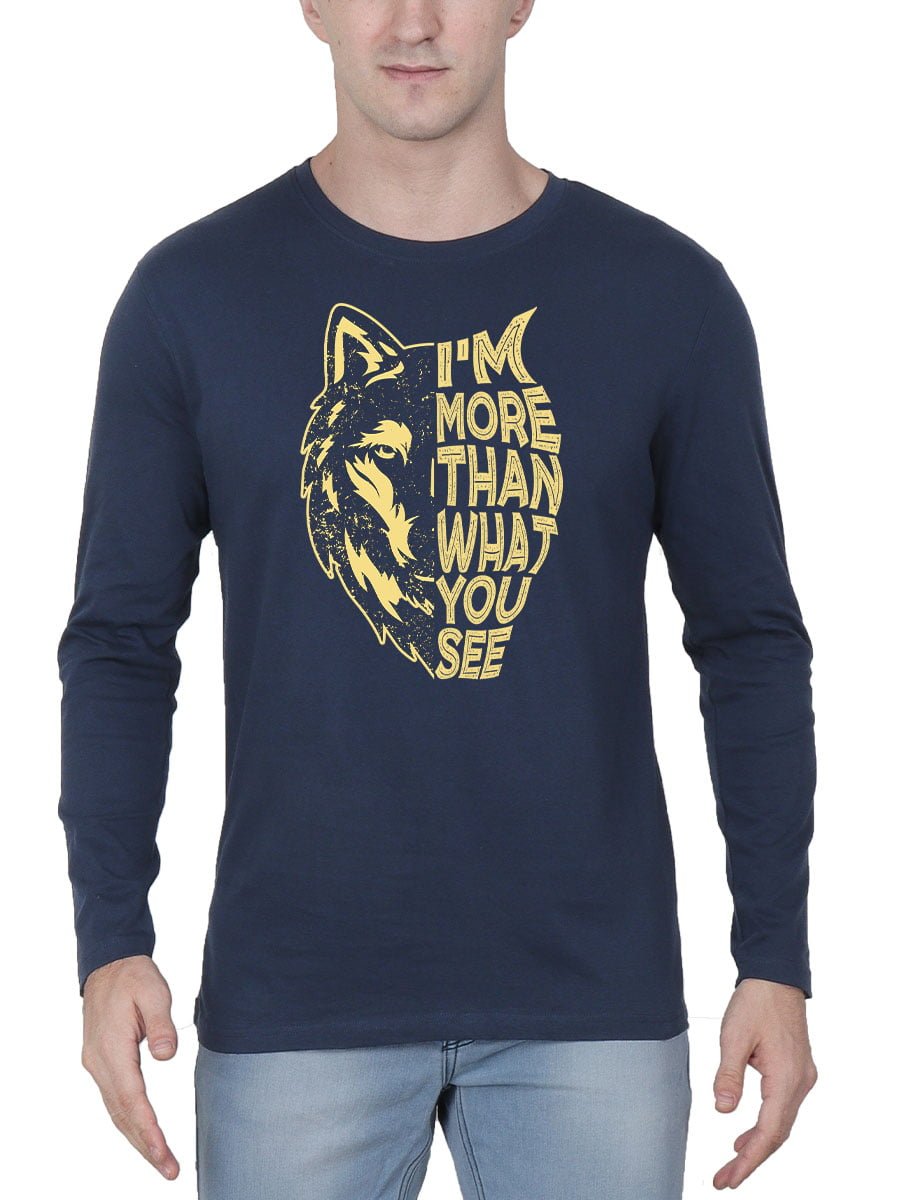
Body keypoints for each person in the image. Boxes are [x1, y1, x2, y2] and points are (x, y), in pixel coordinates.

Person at [56, 2, 819, 1197]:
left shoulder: (665, 296)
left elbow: (750, 641)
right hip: (297, 998)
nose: (413, 21)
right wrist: (110, 941)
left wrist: (774, 952)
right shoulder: (192, 298)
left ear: (521, 1)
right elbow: (118, 643)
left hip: (592, 1008)